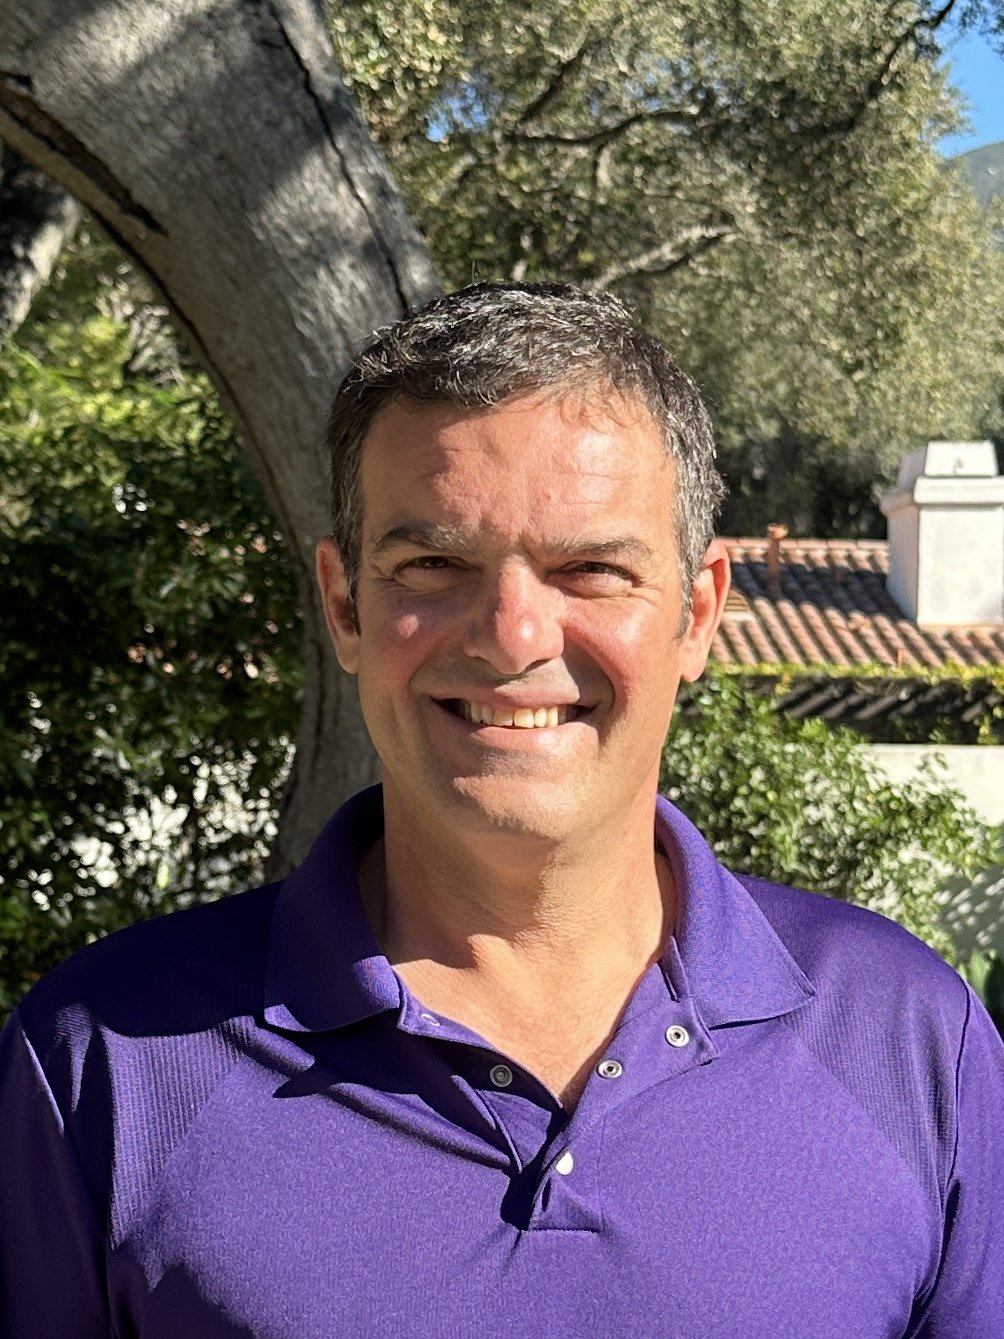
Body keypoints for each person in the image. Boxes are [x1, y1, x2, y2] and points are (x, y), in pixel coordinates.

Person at [1, 282, 1001, 1338]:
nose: (512, 635)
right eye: (434, 564)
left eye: (591, 569)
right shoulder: (104, 1064)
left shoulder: (908, 1043)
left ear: (698, 612)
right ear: (344, 606)